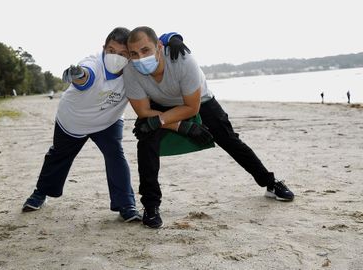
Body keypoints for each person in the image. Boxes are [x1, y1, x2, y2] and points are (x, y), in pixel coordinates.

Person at [123, 26, 295, 229]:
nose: (140, 58)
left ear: (159, 46)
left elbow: (191, 107)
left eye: (145, 50)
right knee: (146, 141)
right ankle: (151, 206)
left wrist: (164, 121)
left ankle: (270, 183)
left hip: (198, 100)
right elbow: (143, 112)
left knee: (229, 139)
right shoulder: (130, 70)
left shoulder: (183, 60)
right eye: (134, 53)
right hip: (161, 105)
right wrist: (182, 127)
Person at [22, 27, 188, 222]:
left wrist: (174, 38)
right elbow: (85, 76)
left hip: (108, 122)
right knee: (58, 156)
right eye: (111, 51)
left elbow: (152, 41)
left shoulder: (134, 69)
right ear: (104, 48)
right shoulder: (93, 63)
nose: (115, 56)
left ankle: (126, 205)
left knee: (116, 156)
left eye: (123, 53)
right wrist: (78, 74)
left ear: (129, 55)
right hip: (74, 120)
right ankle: (40, 193)